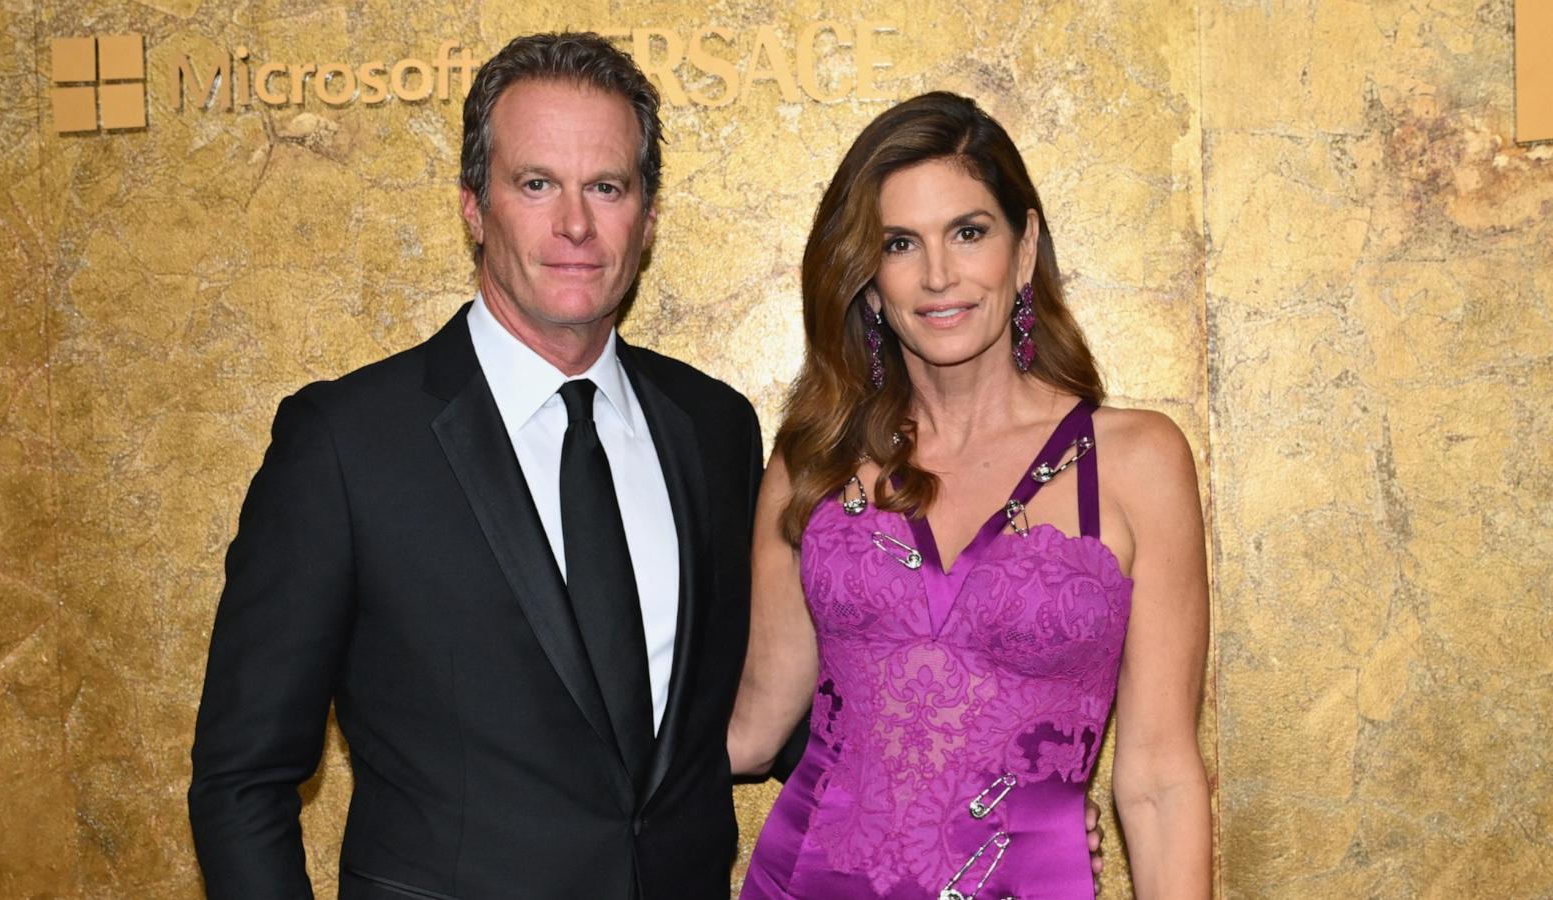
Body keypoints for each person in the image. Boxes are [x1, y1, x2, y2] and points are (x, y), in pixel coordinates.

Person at [187, 33, 763, 899]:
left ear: (646, 217)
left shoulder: (715, 427)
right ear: (472, 205)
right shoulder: (345, 445)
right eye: (536, 185)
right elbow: (241, 779)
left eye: (606, 186)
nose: (576, 223)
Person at [729, 92, 1212, 898]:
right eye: (899, 244)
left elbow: (1161, 779)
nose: (939, 274)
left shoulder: (1136, 462)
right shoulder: (813, 463)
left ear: (1023, 254)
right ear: (869, 280)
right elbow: (752, 728)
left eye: (969, 232)